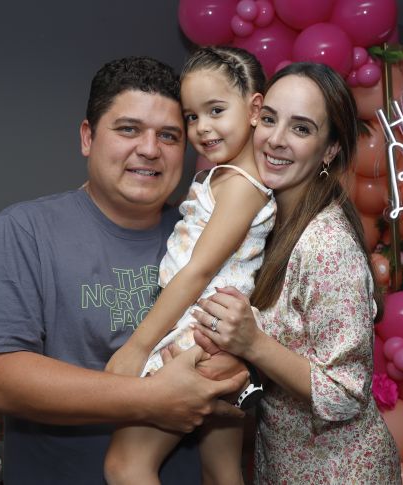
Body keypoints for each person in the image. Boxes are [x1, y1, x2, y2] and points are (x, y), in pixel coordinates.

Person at [0, 56, 249, 485]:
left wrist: (238, 368)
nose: (149, 149)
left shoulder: (208, 235)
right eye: (128, 129)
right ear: (88, 137)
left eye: (169, 135)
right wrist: (150, 399)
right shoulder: (24, 231)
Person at [191, 62, 402, 483]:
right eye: (269, 119)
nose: (276, 139)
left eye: (301, 129)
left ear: (329, 150)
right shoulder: (265, 220)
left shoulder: (326, 243)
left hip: (339, 473)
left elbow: (345, 394)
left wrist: (252, 343)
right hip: (285, 463)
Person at [102, 46, 275, 485]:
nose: (202, 128)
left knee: (125, 466)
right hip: (216, 335)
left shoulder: (241, 186)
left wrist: (139, 346)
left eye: (216, 110)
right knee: (220, 472)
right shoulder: (224, 179)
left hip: (195, 329)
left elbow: (197, 270)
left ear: (255, 108)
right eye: (192, 117)